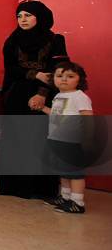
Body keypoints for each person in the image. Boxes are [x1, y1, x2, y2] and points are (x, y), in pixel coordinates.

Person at [0, 0, 67, 199]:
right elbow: (10, 68)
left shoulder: (55, 41)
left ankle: (42, 189)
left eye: (28, 15)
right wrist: (34, 75)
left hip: (46, 94)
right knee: (18, 139)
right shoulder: (13, 40)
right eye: (19, 16)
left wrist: (42, 94)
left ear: (40, 17)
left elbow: (59, 71)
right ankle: (15, 187)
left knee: (41, 139)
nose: (23, 19)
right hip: (18, 95)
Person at [39, 62, 92, 213]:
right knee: (63, 170)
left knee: (74, 173)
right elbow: (56, 115)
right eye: (59, 76)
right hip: (57, 140)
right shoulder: (58, 96)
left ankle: (77, 202)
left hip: (72, 141)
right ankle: (65, 197)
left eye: (70, 76)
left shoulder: (79, 96)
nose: (64, 79)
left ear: (79, 80)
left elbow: (87, 117)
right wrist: (42, 108)